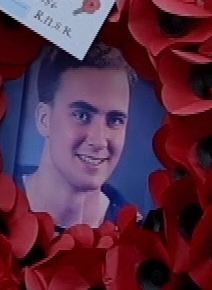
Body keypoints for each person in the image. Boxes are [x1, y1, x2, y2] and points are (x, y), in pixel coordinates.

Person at [21, 45, 135, 229]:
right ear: (44, 119)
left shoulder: (134, 231)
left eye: (115, 120)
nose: (99, 141)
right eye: (82, 115)